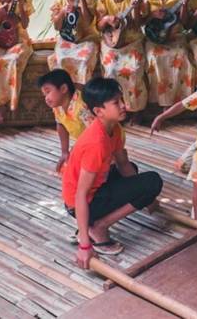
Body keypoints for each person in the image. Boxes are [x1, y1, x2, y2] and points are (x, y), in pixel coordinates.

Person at [63, 78, 163, 265]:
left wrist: (148, 198)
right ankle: (99, 226)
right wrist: (84, 247)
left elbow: (124, 165)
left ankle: (92, 224)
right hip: (80, 204)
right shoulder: (96, 143)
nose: (124, 106)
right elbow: (80, 195)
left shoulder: (113, 128)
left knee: (133, 170)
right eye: (116, 103)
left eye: (121, 100)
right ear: (98, 111)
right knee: (153, 181)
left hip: (94, 192)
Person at [96, 0, 147, 123]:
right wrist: (106, 19)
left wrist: (136, 9)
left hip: (132, 41)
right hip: (111, 42)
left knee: (134, 68)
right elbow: (98, 26)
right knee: (111, 69)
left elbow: (139, 24)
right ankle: (114, 109)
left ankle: (136, 110)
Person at [143, 0, 195, 108]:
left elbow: (184, 22)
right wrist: (152, 15)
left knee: (182, 56)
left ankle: (179, 104)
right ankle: (158, 102)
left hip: (175, 36)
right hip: (153, 37)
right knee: (154, 58)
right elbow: (139, 21)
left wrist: (184, 5)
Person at [49, 0, 99, 86]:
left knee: (84, 60)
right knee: (61, 60)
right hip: (67, 38)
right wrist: (62, 12)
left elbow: (88, 21)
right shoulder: (59, 2)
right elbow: (57, 27)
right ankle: (66, 90)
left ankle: (83, 91)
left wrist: (82, 2)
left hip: (87, 38)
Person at [39, 69, 93, 173]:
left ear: (63, 88)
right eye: (44, 95)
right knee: (66, 169)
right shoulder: (57, 106)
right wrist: (65, 152)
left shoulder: (82, 107)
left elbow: (98, 133)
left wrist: (77, 150)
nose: (46, 98)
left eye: (48, 92)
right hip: (84, 142)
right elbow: (61, 125)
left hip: (103, 140)